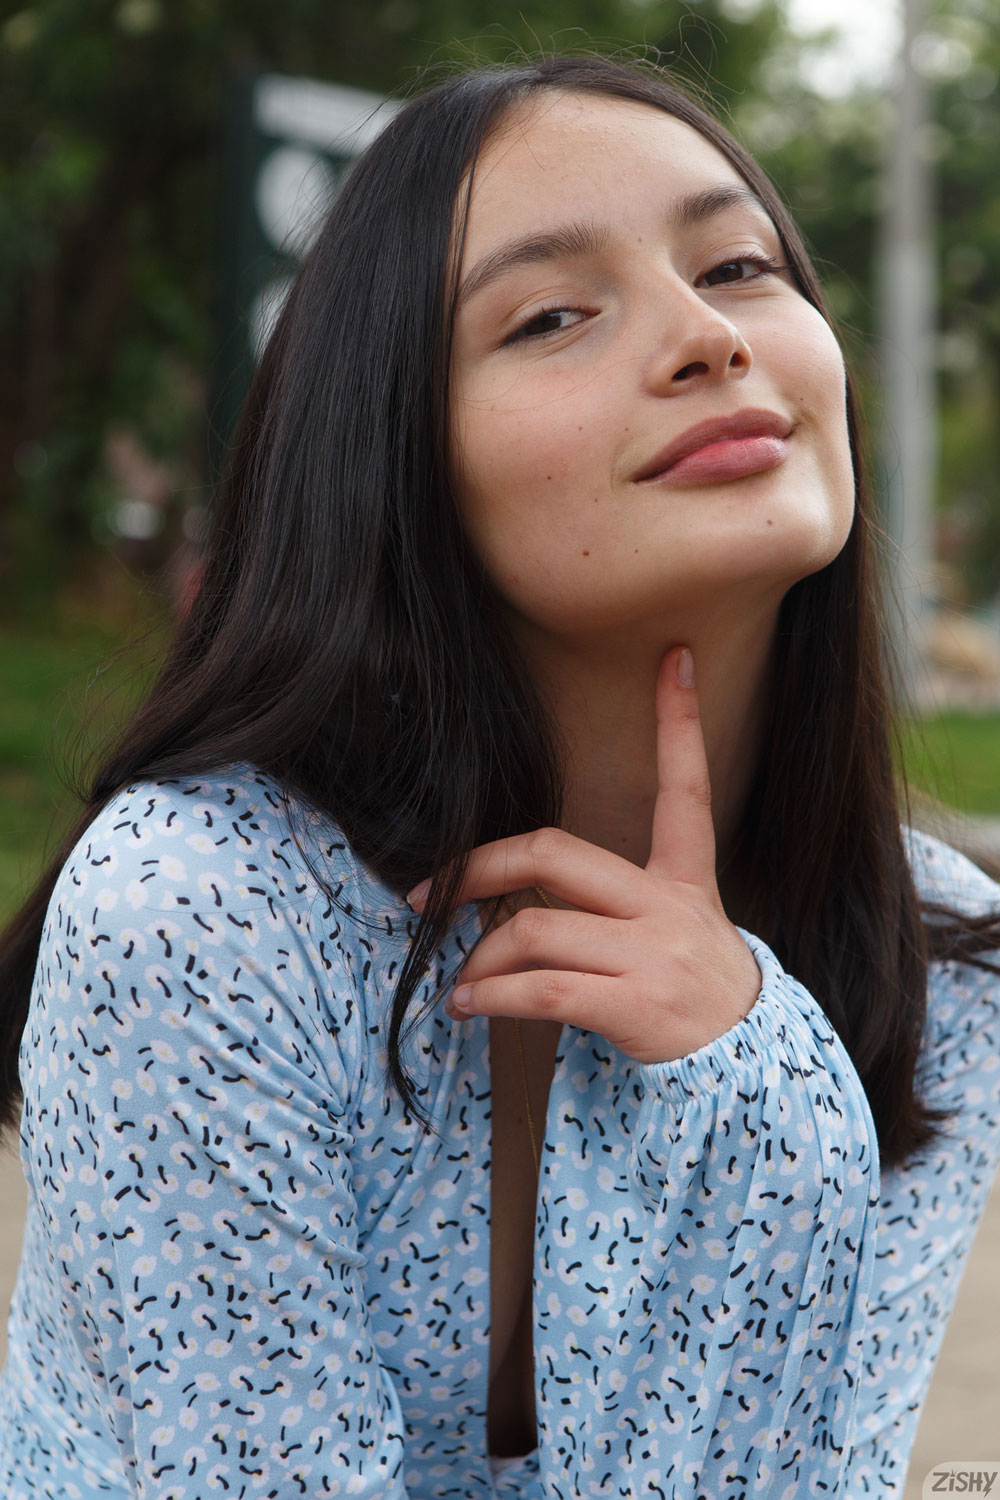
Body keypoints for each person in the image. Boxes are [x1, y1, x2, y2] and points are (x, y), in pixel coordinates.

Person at [0, 52, 998, 1500]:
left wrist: (767, 1102)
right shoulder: (202, 912)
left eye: (738, 265)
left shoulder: (939, 956)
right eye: (549, 316)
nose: (708, 336)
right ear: (393, 452)